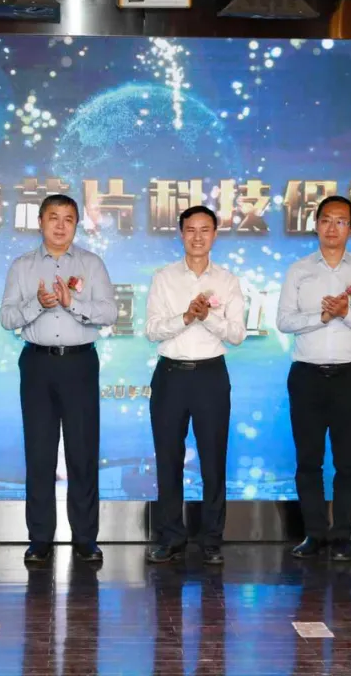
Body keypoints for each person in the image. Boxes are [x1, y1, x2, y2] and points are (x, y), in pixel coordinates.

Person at [0, 194, 117, 564]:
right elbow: (6, 317)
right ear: (40, 221)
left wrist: (71, 304)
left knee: (83, 452)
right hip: (37, 364)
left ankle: (85, 538)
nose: (61, 225)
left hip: (79, 363)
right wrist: (39, 304)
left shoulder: (91, 263)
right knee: (39, 453)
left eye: (68, 218)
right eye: (53, 217)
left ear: (77, 224)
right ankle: (39, 539)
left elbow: (109, 312)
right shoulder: (22, 266)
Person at [276, 195, 351, 562]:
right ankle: (314, 533)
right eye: (325, 219)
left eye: (340, 221)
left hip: (348, 377)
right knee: (308, 461)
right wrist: (322, 317)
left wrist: (346, 312)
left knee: (347, 461)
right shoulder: (299, 270)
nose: (332, 227)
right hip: (306, 376)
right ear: (316, 225)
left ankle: (341, 536)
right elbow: (284, 321)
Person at [144, 205, 247, 565]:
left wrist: (208, 318)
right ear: (181, 233)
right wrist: (187, 316)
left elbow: (237, 334)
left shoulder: (228, 280)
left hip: (210, 376)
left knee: (213, 459)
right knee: (168, 459)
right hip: (171, 375)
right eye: (191, 230)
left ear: (215, 234)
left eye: (205, 230)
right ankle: (171, 537)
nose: (198, 237)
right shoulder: (164, 277)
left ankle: (212, 539)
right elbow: (152, 330)